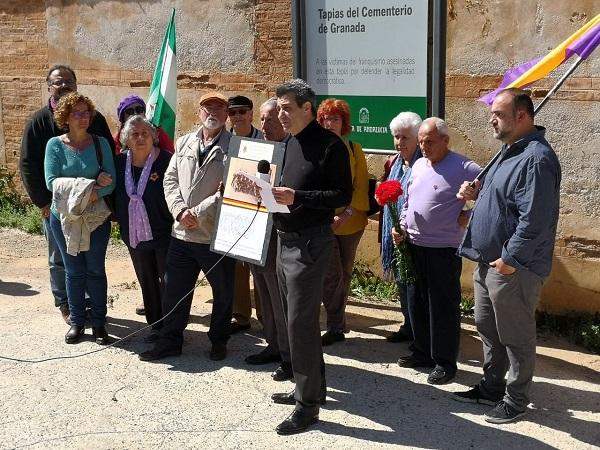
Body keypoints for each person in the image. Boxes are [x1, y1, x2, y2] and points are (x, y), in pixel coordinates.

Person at [454, 88, 561, 424]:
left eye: (498, 113)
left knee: (516, 336)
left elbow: (535, 219)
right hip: (488, 262)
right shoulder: (507, 152)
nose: (491, 119)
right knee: (488, 328)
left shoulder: (537, 159)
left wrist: (509, 260)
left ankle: (515, 400)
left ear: (521, 116)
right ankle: (492, 386)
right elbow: (505, 201)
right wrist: (475, 193)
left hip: (514, 267)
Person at [270, 79, 352, 435]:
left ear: (307, 108)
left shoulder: (330, 145)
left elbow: (341, 194)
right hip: (283, 240)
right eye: (278, 107)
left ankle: (308, 407)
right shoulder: (288, 142)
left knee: (300, 324)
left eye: (287, 107)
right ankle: (310, 388)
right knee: (293, 320)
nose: (280, 114)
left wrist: (298, 197)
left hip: (310, 244)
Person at [139, 92, 235, 362]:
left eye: (219, 107)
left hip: (214, 235)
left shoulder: (235, 148)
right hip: (181, 233)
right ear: (198, 113)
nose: (212, 112)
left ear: (226, 114)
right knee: (174, 290)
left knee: (223, 291)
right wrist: (180, 211)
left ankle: (218, 340)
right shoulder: (184, 143)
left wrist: (198, 211)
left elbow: (230, 191)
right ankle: (170, 341)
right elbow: (169, 181)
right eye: (207, 107)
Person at [19, 64, 114, 324]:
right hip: (56, 207)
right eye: (58, 82)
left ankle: (90, 307)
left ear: (76, 84)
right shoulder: (39, 121)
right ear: (49, 86)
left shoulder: (94, 119)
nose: (63, 85)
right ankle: (67, 306)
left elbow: (109, 162)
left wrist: (100, 192)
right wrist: (43, 202)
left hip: (93, 208)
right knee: (61, 260)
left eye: (69, 81)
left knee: (90, 261)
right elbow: (28, 164)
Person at [395, 117, 480, 385]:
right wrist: (402, 224)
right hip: (414, 245)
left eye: (429, 141)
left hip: (443, 250)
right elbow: (409, 198)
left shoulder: (465, 166)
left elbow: (492, 196)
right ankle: (422, 351)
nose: (424, 146)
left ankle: (444, 362)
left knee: (442, 307)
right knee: (416, 301)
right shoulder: (419, 164)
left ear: (445, 140)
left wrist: (470, 214)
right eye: (420, 141)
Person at [44, 92, 116, 344]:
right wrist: (91, 186)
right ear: (66, 116)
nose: (83, 117)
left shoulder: (100, 144)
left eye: (86, 112)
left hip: (96, 218)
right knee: (73, 271)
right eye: (77, 113)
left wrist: (92, 190)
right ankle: (76, 323)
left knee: (95, 270)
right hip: (64, 219)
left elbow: (111, 182)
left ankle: (98, 324)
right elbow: (52, 183)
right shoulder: (54, 145)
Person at [244, 98, 293, 382]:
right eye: (262, 119)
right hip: (255, 234)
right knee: (263, 294)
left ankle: (288, 356)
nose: (264, 124)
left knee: (279, 299)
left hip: (279, 236)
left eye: (271, 118)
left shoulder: (290, 151)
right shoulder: (257, 150)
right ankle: (273, 345)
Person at [113, 115, 173, 342]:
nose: (140, 138)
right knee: (147, 280)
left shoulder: (166, 160)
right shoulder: (119, 163)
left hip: (164, 232)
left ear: (154, 137)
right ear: (126, 139)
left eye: (145, 133)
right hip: (134, 234)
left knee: (168, 280)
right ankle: (156, 325)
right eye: (134, 134)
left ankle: (172, 327)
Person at [316, 98, 369, 346]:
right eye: (326, 119)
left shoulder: (354, 148)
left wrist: (345, 214)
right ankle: (335, 324)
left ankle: (338, 320)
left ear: (343, 122)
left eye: (335, 119)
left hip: (350, 220)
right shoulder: (316, 148)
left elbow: (360, 185)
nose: (330, 123)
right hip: (324, 220)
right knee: (330, 273)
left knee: (345, 272)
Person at [381, 112, 423, 343]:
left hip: (416, 236)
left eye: (405, 137)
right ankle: (408, 325)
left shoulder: (423, 165)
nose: (400, 142)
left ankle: (420, 331)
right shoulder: (394, 163)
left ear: (417, 138)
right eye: (396, 137)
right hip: (395, 235)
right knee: (401, 280)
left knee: (415, 284)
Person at [227, 95, 264, 334]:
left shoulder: (264, 139)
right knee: (236, 269)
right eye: (233, 112)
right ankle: (241, 316)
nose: (238, 116)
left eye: (242, 111)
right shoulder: (224, 140)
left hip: (259, 210)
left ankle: (267, 316)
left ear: (251, 113)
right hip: (232, 210)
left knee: (260, 270)